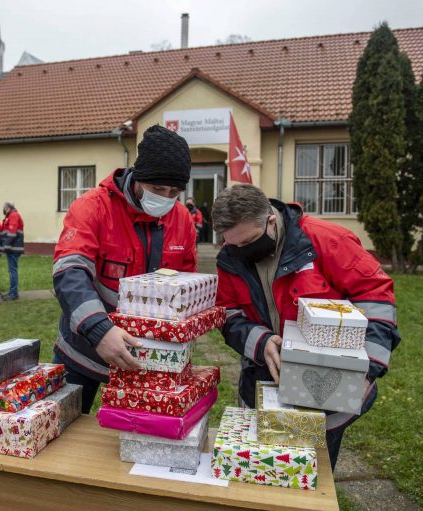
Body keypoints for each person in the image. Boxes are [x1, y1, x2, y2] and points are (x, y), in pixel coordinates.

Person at [212, 184, 400, 470]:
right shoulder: (230, 257)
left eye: (247, 242)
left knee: (315, 474)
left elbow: (376, 297)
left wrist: (368, 368)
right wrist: (260, 342)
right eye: (231, 244)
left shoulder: (325, 241)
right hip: (264, 380)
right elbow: (228, 312)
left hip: (330, 387)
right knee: (266, 471)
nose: (239, 251)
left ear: (270, 222)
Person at [53, 125, 198, 413]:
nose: (166, 198)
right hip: (85, 350)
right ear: (138, 177)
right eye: (158, 189)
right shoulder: (93, 207)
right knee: (65, 433)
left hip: (149, 357)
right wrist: (99, 330)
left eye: (175, 191)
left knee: (140, 442)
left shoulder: (181, 219)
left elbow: (186, 284)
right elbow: (70, 272)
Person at [0, 201, 24, 301]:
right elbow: (4, 230)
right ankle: (12, 291)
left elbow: (12, 232)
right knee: (12, 270)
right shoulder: (10, 216)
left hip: (13, 248)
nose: (3, 210)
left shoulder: (13, 215)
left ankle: (13, 293)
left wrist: (6, 246)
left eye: (4, 208)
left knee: (13, 271)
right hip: (12, 248)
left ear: (8, 208)